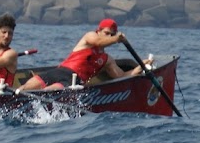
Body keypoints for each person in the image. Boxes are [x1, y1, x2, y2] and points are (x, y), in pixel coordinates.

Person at [19, 18, 152, 91]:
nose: (109, 37)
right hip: (60, 71)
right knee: (23, 89)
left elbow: (121, 76)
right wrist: (116, 39)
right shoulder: (89, 37)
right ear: (98, 31)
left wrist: (138, 69)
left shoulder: (107, 60)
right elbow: (99, 42)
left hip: (74, 81)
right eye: (107, 33)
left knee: (46, 92)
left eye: (112, 34)